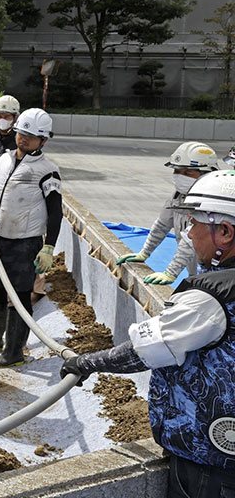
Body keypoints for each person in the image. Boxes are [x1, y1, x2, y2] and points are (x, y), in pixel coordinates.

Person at [61, 169, 235, 497]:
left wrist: (85, 363)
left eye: (194, 225)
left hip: (209, 467)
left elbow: (145, 349)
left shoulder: (211, 298)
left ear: (224, 232)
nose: (187, 235)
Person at [0, 108, 61, 367]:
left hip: (24, 242)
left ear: (44, 140)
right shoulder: (3, 160)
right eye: (21, 133)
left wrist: (48, 246)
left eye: (31, 136)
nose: (23, 139)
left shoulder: (47, 171)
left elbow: (55, 212)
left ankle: (14, 352)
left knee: (18, 295)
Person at [116, 142, 223, 285]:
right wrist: (144, 252)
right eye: (176, 171)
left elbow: (190, 240)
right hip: (195, 271)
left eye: (187, 172)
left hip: (217, 274)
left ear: (207, 173)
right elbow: (161, 225)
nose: (180, 176)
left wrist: (170, 272)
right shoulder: (178, 197)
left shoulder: (211, 203)